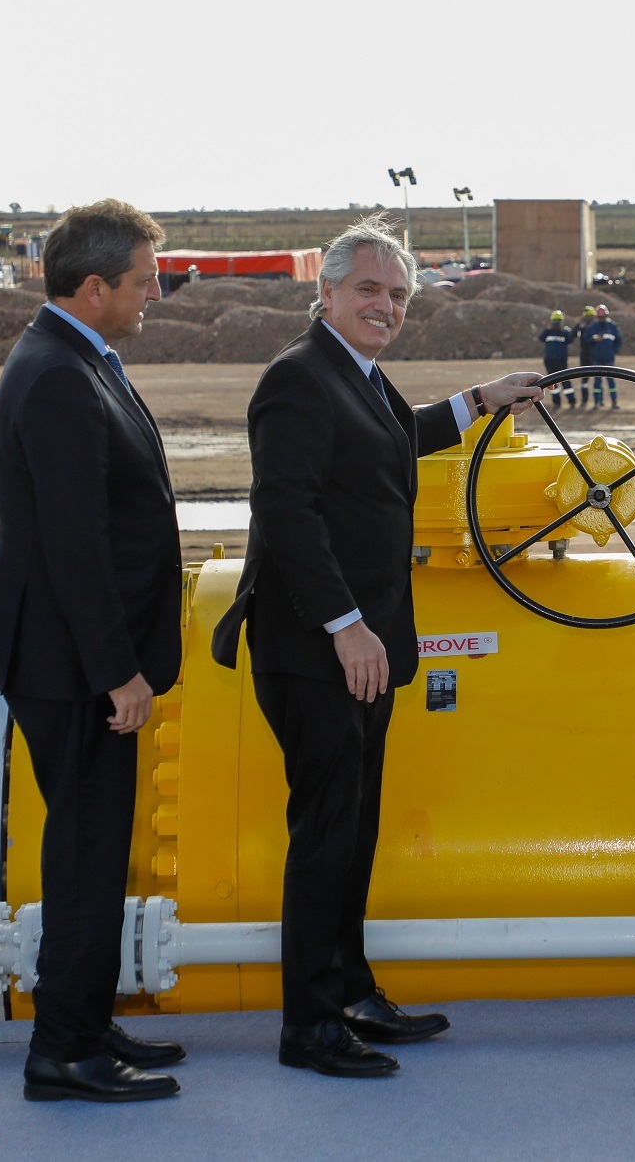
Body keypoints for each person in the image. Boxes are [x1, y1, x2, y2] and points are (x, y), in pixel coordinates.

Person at [209, 216, 540, 1078]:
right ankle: (309, 1025)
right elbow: (287, 512)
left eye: (397, 295)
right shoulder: (296, 380)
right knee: (324, 832)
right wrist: (344, 623)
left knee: (353, 830)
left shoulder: (357, 376)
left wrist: (483, 397)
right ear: (325, 292)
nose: (385, 306)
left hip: (364, 648)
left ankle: (350, 989)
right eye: (368, 289)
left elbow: (400, 436)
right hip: (319, 649)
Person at [0, 200, 186, 1104]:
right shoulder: (59, 375)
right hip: (75, 667)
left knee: (98, 851)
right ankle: (63, 1049)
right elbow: (76, 543)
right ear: (94, 285)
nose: (155, 293)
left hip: (74, 659)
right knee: (84, 855)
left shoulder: (73, 357)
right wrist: (118, 670)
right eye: (143, 280)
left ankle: (85, 1017)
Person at [583, 302, 623, 407]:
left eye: (603, 317)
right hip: (596, 358)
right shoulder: (592, 327)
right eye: (600, 317)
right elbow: (585, 341)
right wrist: (594, 340)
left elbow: (619, 340)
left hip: (609, 358)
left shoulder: (613, 327)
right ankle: (597, 402)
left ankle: (614, 402)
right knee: (597, 382)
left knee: (611, 381)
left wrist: (614, 350)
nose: (602, 319)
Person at [540, 308, 577, 408]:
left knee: (565, 380)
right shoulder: (548, 332)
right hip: (549, 361)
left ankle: (572, 401)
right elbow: (541, 338)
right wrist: (548, 329)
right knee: (552, 382)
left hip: (561, 361)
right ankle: (556, 402)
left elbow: (571, 339)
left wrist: (563, 331)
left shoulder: (565, 331)